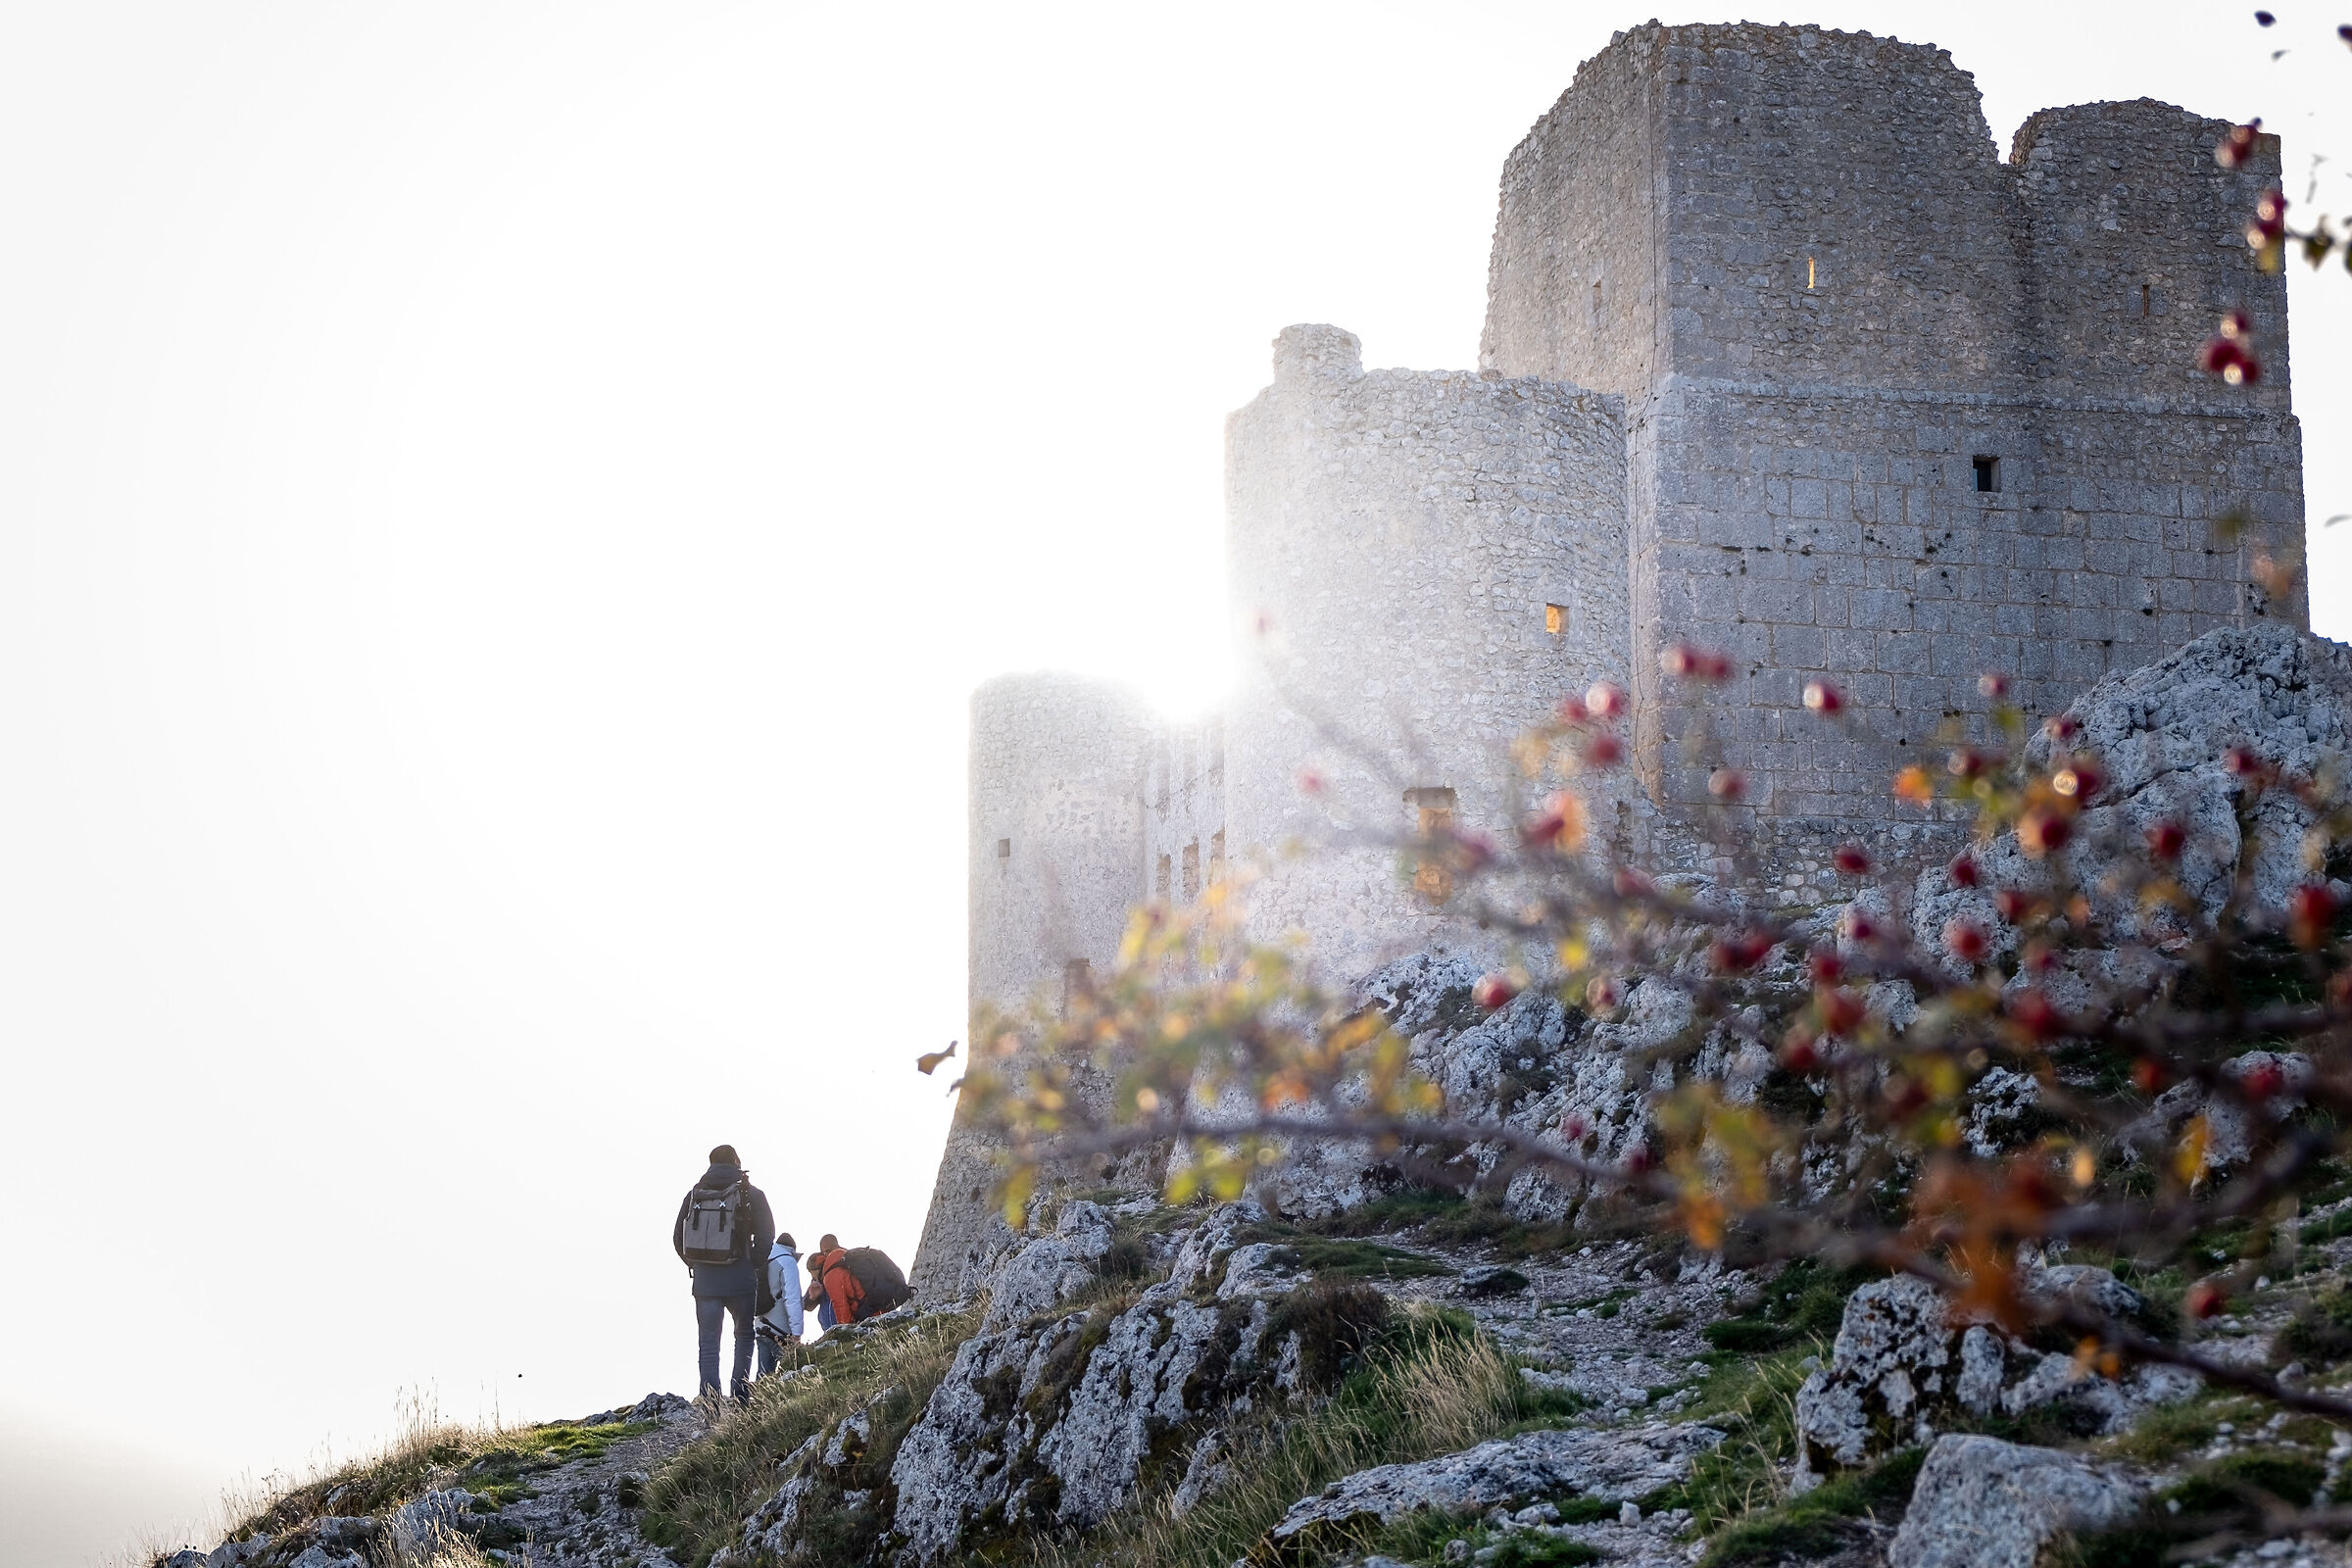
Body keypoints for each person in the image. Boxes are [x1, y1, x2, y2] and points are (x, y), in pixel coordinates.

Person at [671, 1144, 774, 1405]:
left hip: (705, 1282)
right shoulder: (751, 1193)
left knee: (708, 1343)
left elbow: (677, 1237)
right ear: (736, 1162)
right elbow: (766, 1234)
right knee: (744, 1335)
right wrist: (754, 1262)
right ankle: (740, 1396)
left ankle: (710, 1402)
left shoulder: (695, 1194)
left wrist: (696, 1264)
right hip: (740, 1277)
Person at [757, 1231, 805, 1376]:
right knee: (791, 1372)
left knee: (764, 1376)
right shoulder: (787, 1261)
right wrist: (797, 1333)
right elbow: (792, 1298)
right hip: (781, 1331)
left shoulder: (761, 1259)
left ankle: (759, 1398)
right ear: (792, 1250)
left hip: (760, 1326)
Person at [803, 1233, 845, 1332]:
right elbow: (807, 1306)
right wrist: (813, 1297)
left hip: (848, 1324)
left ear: (837, 1246)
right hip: (828, 1329)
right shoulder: (819, 1273)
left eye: (828, 1250)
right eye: (823, 1252)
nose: (826, 1254)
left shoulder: (847, 1264)